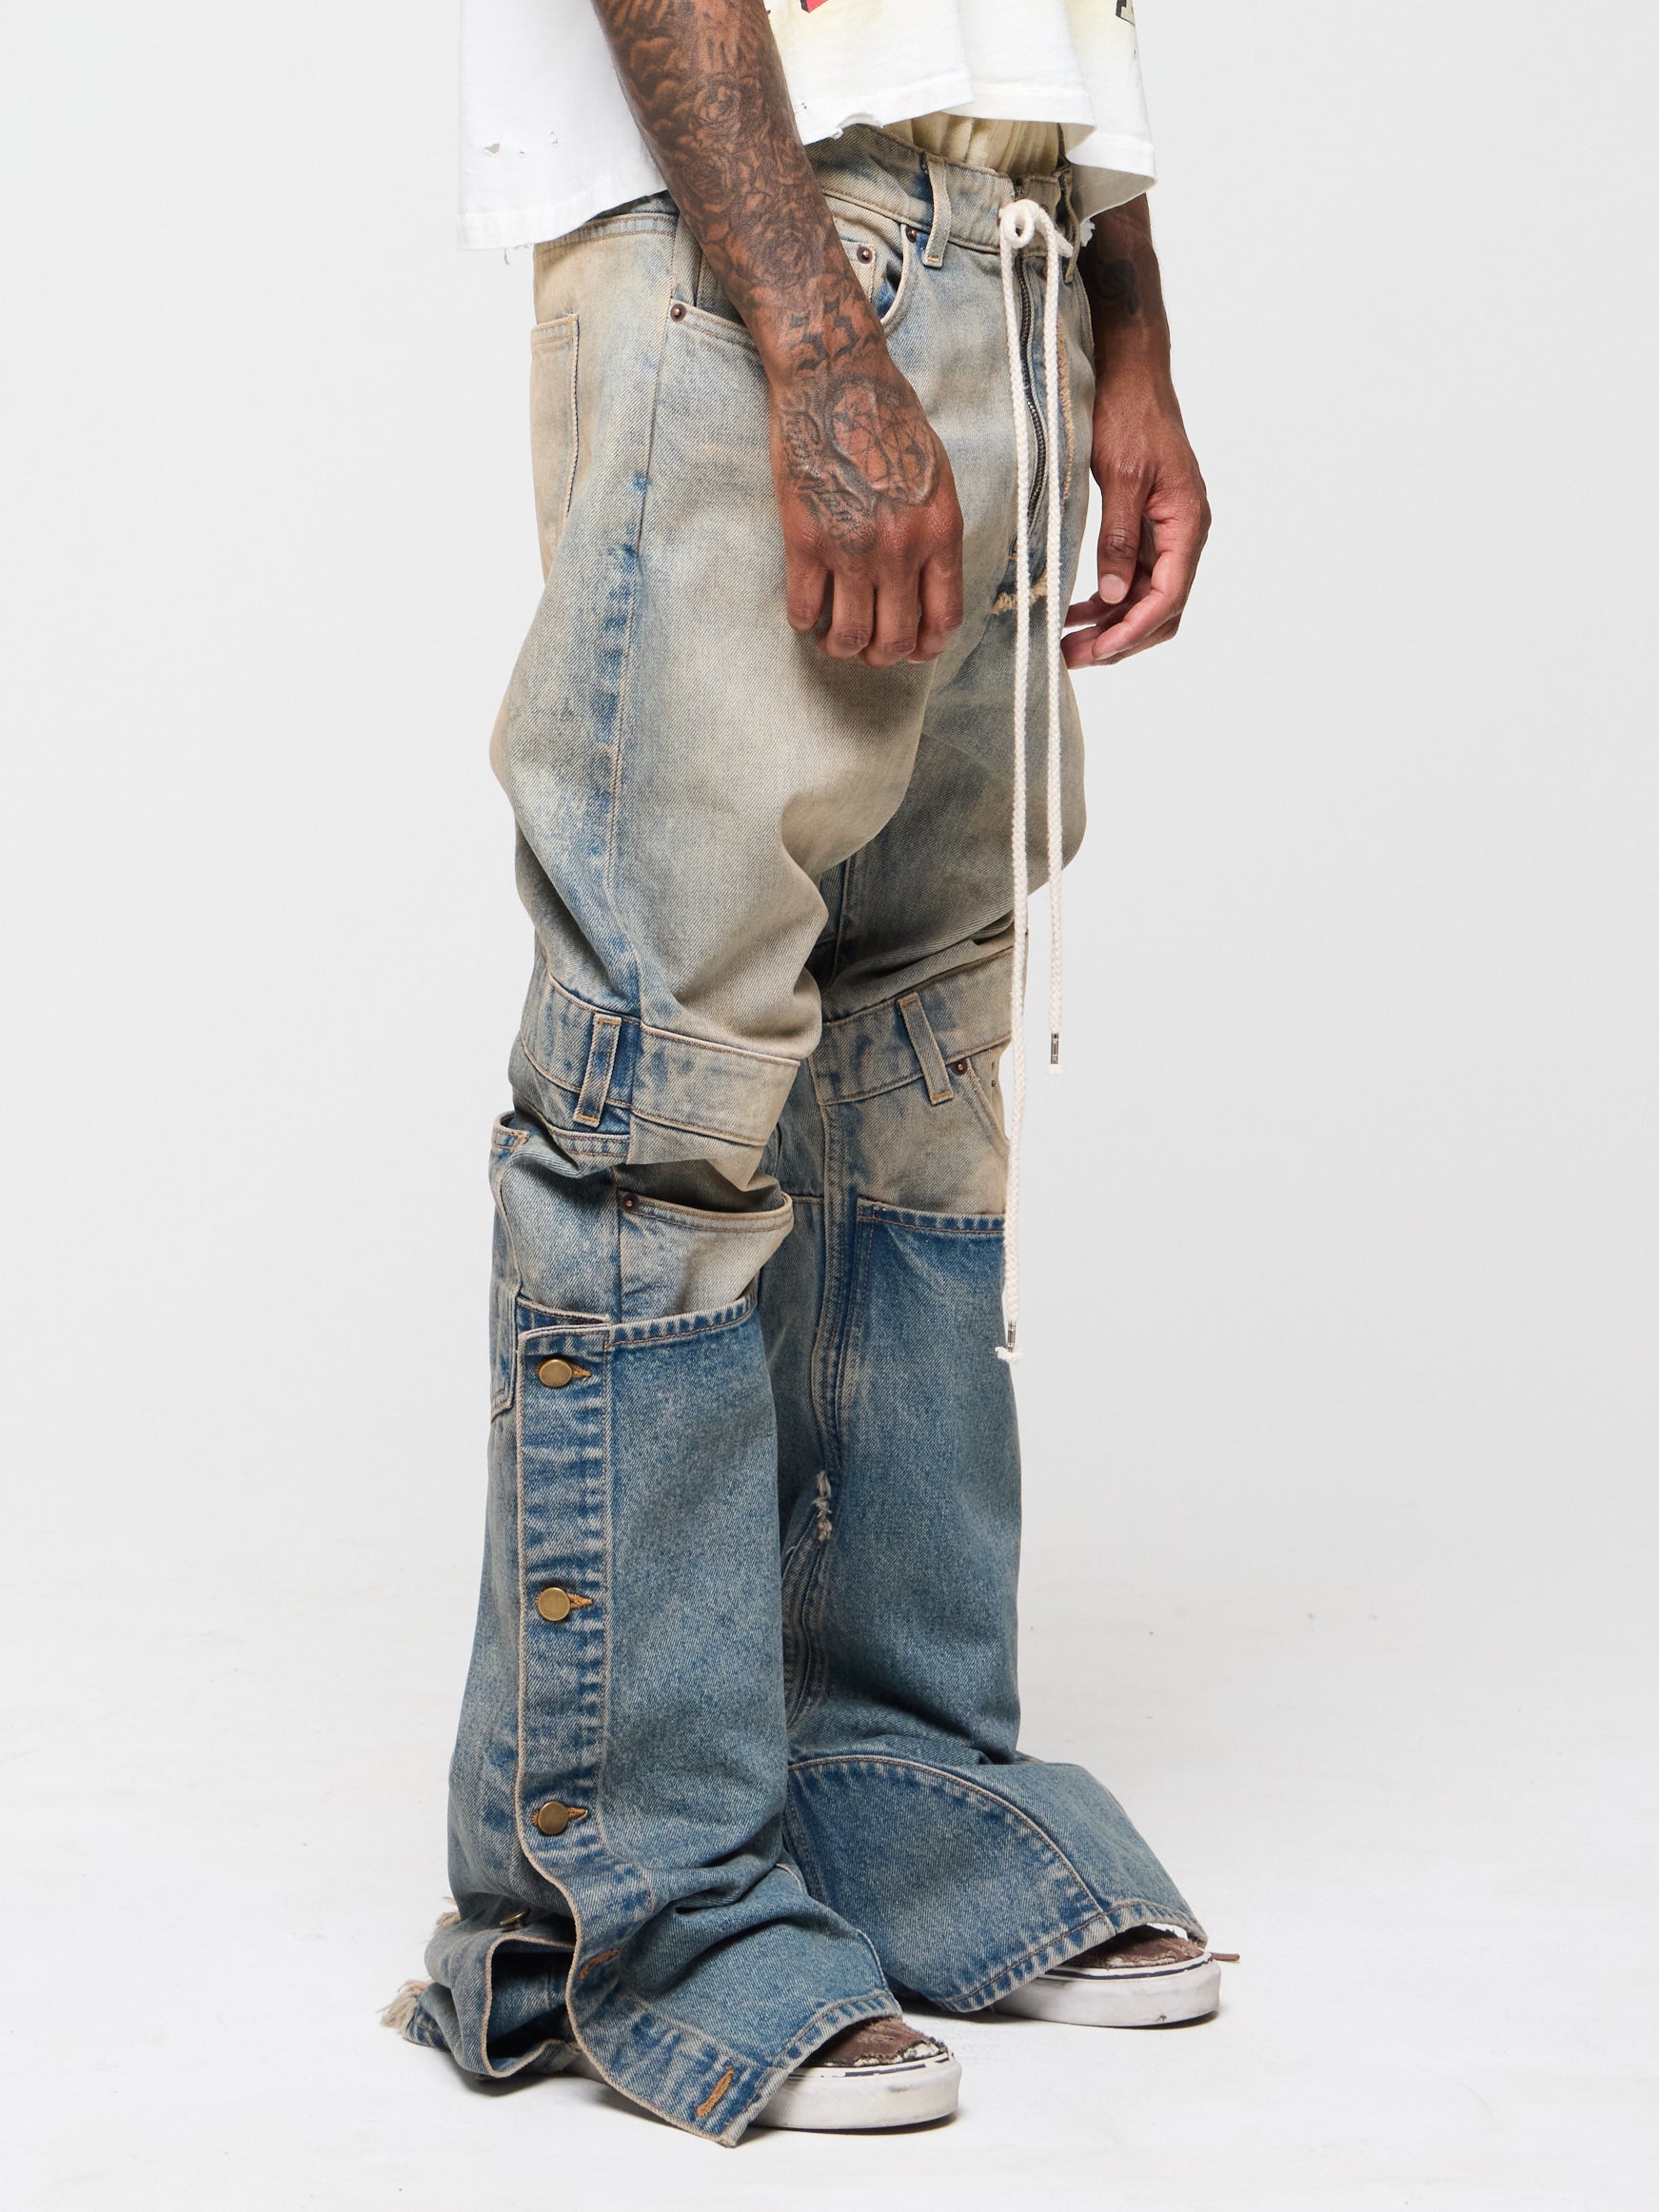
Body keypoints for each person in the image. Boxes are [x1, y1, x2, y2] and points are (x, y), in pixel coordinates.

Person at [385, 0, 1215, 2143]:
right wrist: (817, 334)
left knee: (916, 1054)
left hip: (1009, 240)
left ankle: (897, 1787)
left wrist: (1121, 311)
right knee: (657, 1088)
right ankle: (627, 1893)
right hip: (757, 247)